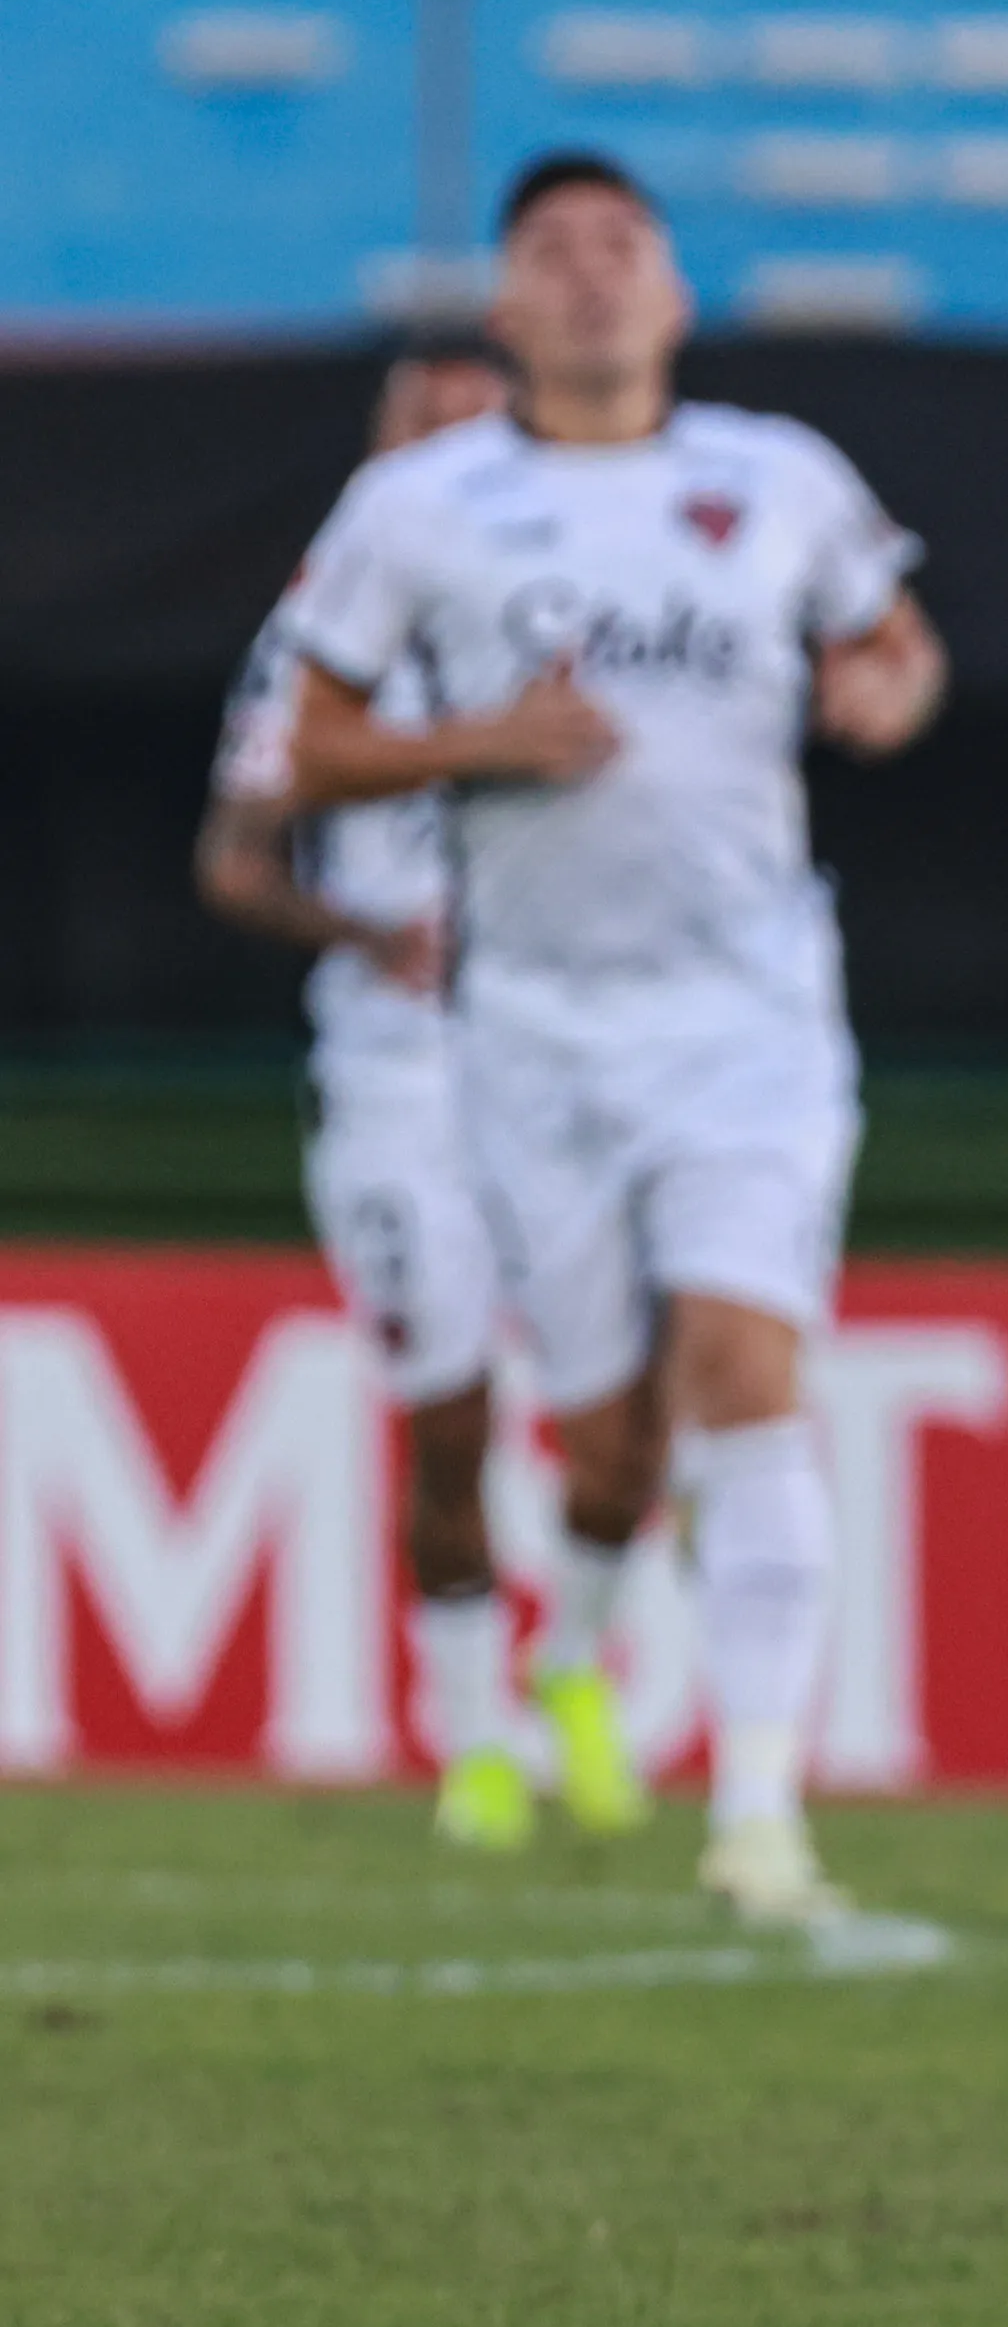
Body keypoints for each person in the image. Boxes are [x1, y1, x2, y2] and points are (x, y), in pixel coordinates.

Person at [277, 151, 945, 1924]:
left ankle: (757, 1811)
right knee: (608, 1437)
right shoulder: (421, 509)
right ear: (506, 310)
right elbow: (309, 753)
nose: (588, 277)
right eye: (551, 254)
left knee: (746, 1364)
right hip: (532, 1033)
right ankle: (576, 1659)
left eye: (620, 249)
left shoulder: (774, 479)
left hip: (747, 1012)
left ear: (671, 297)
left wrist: (881, 692)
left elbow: (896, 646)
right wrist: (477, 742)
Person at [202, 328, 582, 1851]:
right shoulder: (308, 645)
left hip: (577, 1045)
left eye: (469, 439)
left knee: (644, 1389)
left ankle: (593, 1656)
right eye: (413, 438)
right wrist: (366, 930)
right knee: (450, 1411)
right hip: (399, 1067)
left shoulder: (587, 615)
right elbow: (234, 857)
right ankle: (475, 1731)